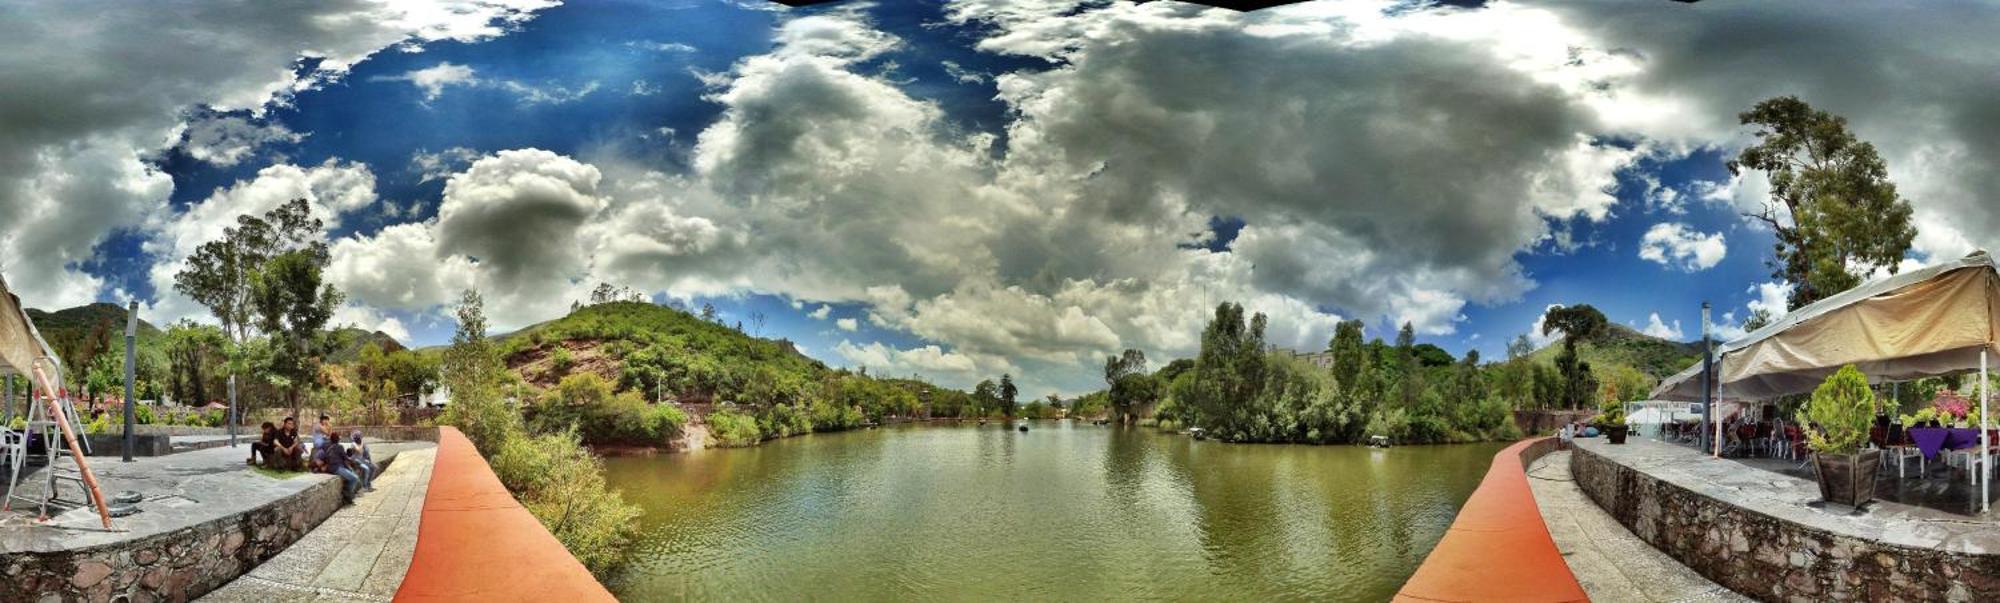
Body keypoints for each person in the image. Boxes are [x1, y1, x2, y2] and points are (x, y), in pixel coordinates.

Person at [318, 429, 361, 503]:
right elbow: (346, 458)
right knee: (355, 478)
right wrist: (353, 460)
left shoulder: (330, 448)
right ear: (338, 439)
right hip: (337, 468)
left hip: (334, 467)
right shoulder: (339, 447)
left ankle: (349, 493)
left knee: (352, 475)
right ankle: (346, 494)